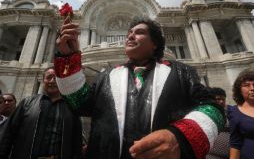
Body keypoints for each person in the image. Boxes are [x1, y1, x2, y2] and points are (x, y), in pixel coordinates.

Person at [55, 16, 225, 159]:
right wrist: (68, 57)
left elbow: (213, 108)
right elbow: (80, 103)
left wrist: (181, 137)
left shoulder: (181, 72)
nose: (130, 36)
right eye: (129, 33)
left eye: (139, 33)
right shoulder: (106, 76)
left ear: (155, 44)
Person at [0, 67, 83, 159]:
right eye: (49, 77)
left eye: (57, 78)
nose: (52, 81)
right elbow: (8, 134)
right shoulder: (27, 103)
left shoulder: (71, 107)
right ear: (43, 81)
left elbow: (76, 141)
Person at [227, 68, 254, 159]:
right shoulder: (234, 113)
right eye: (247, 85)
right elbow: (235, 143)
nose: (252, 88)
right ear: (239, 90)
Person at [206, 87, 230, 159]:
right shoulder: (205, 113)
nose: (221, 101)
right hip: (211, 155)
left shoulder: (231, 111)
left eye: (223, 99)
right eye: (218, 99)